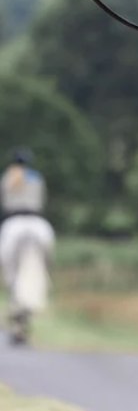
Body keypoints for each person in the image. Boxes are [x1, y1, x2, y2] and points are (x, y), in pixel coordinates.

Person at [0, 148, 55, 346]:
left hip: (14, 219)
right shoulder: (37, 178)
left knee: (12, 273)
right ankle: (48, 274)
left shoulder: (8, 178)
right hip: (37, 220)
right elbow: (42, 201)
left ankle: (16, 319)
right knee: (45, 261)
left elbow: (5, 203)